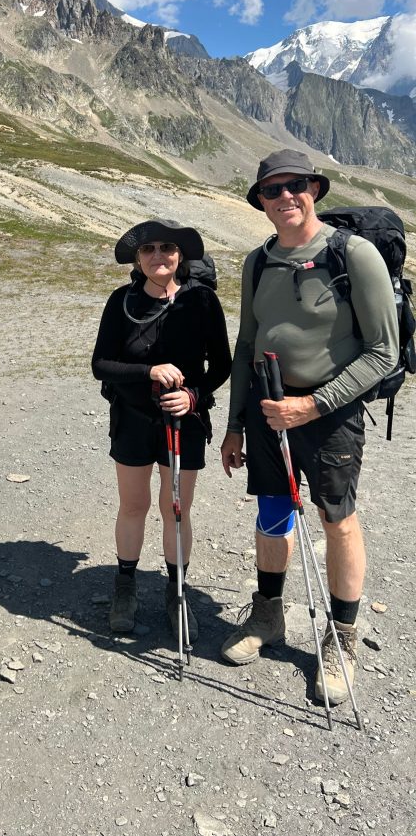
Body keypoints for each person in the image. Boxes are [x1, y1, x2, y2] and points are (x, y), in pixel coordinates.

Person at [220, 149, 398, 704]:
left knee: (336, 518)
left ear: (314, 189)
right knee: (272, 511)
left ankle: (342, 637)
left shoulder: (355, 254)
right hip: (267, 409)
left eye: (295, 185)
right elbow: (248, 343)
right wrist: (234, 424)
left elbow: (383, 352)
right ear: (261, 202)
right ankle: (268, 614)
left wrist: (314, 406)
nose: (285, 197)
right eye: (272, 190)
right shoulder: (258, 261)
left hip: (330, 411)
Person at [92, 219, 232, 637]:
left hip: (184, 423)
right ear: (137, 259)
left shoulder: (203, 302)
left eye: (166, 248)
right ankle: (125, 584)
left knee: (176, 509)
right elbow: (101, 364)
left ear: (180, 255)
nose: (158, 256)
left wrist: (193, 396)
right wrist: (149, 370)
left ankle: (177, 591)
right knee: (133, 505)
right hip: (133, 420)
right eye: (148, 249)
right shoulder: (121, 302)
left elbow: (221, 365)